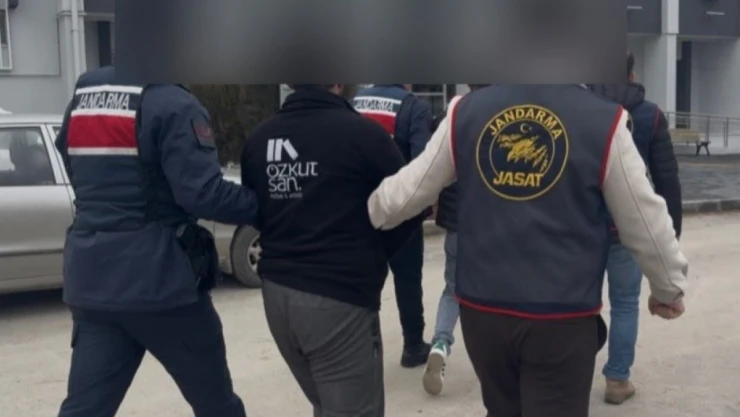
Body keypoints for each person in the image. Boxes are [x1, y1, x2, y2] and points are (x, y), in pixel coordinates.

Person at [366, 84, 689, 417]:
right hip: (561, 313)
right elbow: (643, 218)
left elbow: (404, 194)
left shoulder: (465, 112)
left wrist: (363, 211)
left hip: (484, 310)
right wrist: (668, 286)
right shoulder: (604, 121)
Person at [54, 66, 257, 417]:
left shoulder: (85, 98)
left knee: (84, 410)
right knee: (217, 405)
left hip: (93, 283)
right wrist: (266, 206)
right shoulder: (174, 103)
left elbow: (72, 163)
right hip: (161, 285)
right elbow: (203, 195)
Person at [240, 84, 423, 416]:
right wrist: (373, 255)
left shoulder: (259, 140)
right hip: (338, 300)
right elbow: (409, 203)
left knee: (326, 404)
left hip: (277, 296)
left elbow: (257, 211)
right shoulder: (364, 135)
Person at [588, 52, 683, 404]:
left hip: (584, 229)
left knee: (581, 304)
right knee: (625, 303)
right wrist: (671, 235)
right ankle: (617, 379)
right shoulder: (650, 115)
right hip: (629, 231)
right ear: (631, 75)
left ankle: (573, 371)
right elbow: (667, 179)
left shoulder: (583, 112)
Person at [352, 84, 434, 367]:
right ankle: (413, 346)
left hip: (358, 210)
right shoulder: (414, 107)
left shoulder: (356, 101)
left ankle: (361, 350)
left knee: (362, 282)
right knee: (408, 280)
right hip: (400, 210)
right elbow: (422, 165)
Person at [424, 84, 491, 396]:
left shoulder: (450, 116)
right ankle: (493, 362)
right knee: (493, 295)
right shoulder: (505, 115)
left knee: (453, 289)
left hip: (457, 224)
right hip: (493, 225)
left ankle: (440, 343)